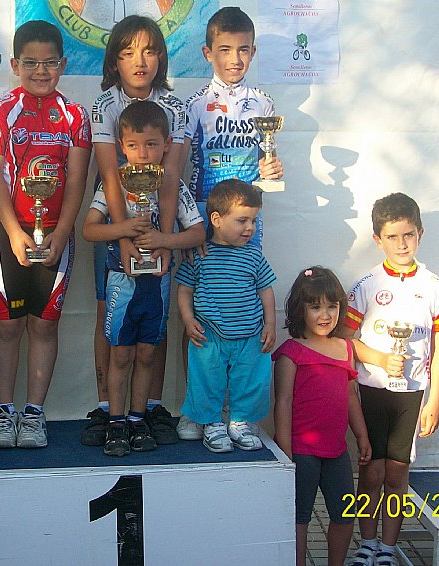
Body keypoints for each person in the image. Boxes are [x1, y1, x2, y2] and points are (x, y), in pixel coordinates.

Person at [0, 20, 91, 448]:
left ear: (62, 65)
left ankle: (34, 412)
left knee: (44, 326)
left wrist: (62, 232)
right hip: (5, 231)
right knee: (8, 326)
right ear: (14, 64)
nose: (40, 71)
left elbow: (77, 181)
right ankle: (4, 412)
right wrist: (11, 230)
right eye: (31, 63)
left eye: (49, 63)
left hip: (55, 235)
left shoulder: (74, 115)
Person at [177, 6, 284, 440]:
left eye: (242, 50)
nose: (234, 59)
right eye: (225, 50)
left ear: (254, 51)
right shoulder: (194, 103)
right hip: (205, 219)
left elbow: (266, 164)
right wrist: (192, 225)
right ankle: (197, 411)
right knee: (200, 313)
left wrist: (273, 169)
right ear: (208, 52)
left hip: (247, 222)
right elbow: (178, 172)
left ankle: (236, 411)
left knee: (241, 309)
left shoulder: (264, 103)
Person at [84, 15, 186, 447]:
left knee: (154, 314)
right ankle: (110, 408)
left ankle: (149, 408)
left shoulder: (175, 107)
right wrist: (125, 236)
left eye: (148, 51)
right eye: (127, 53)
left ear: (160, 56)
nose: (139, 61)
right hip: (114, 218)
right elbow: (111, 177)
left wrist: (161, 241)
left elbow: (170, 180)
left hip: (159, 218)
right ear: (115, 61)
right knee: (111, 306)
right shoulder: (102, 105)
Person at [83, 100, 205, 456]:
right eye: (134, 145)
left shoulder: (172, 185)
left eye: (152, 144)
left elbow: (197, 234)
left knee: (147, 355)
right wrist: (121, 229)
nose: (143, 153)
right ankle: (116, 421)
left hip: (158, 286)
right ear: (121, 146)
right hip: (122, 285)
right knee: (120, 356)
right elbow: (90, 229)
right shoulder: (113, 185)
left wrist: (164, 240)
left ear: (167, 144)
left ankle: (138, 419)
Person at [342, 193, 439, 566]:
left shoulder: (434, 285)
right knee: (370, 474)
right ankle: (368, 543)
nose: (401, 244)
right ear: (378, 239)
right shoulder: (366, 285)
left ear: (420, 233)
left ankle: (389, 548)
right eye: (392, 237)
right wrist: (379, 359)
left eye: (408, 235)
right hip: (372, 392)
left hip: (412, 395)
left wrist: (434, 399)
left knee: (396, 474)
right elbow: (345, 339)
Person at [272, 266, 372, 566]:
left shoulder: (345, 348)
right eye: (315, 306)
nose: (325, 314)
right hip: (301, 452)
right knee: (300, 518)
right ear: (299, 310)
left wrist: (362, 436)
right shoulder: (291, 352)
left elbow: (352, 396)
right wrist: (285, 447)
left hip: (337, 451)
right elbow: (283, 402)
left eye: (332, 305)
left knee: (344, 515)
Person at [175, 179, 276, 453]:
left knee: (250, 380)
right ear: (217, 219)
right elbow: (184, 289)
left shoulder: (254, 255)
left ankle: (240, 422)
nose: (250, 228)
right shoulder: (199, 255)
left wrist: (270, 324)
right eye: (242, 220)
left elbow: (265, 290)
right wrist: (187, 319)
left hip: (250, 335)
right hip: (209, 334)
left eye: (254, 221)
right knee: (206, 378)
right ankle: (211, 423)